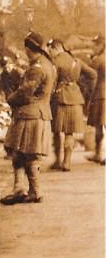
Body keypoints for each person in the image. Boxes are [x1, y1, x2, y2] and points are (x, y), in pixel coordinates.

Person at [1, 32, 57, 204]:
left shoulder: (37, 68)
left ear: (28, 48)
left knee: (23, 153)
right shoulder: (49, 65)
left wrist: (10, 99)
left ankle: (27, 190)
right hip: (40, 113)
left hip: (29, 116)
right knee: (27, 154)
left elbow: (26, 92)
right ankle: (28, 190)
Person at [46, 39, 93, 171]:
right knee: (69, 133)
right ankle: (67, 163)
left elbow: (52, 82)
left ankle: (57, 161)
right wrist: (84, 88)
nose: (50, 53)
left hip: (59, 99)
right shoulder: (76, 61)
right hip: (76, 99)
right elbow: (93, 75)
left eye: (50, 50)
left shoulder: (54, 62)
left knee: (56, 131)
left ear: (57, 47)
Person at [87, 35, 105, 164]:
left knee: (100, 125)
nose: (93, 47)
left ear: (101, 46)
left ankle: (99, 154)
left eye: (95, 45)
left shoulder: (98, 60)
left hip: (100, 95)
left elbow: (90, 78)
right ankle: (98, 154)